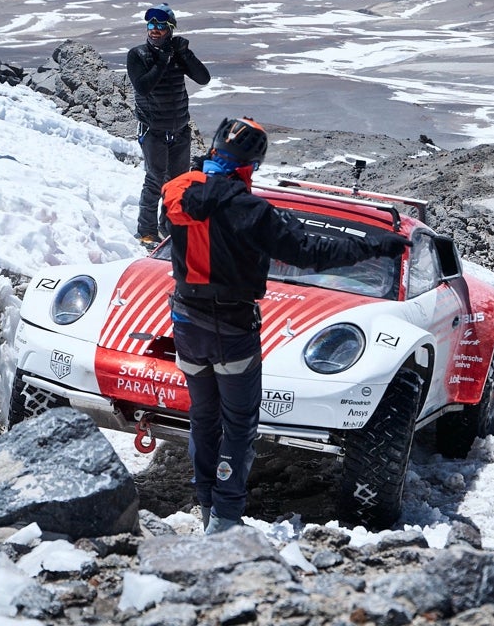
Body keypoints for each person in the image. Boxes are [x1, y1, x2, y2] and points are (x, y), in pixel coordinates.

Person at [161, 117, 411, 534]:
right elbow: (309, 251)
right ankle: (224, 520)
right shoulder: (251, 210)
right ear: (251, 163)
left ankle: (205, 502)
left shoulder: (177, 190)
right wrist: (373, 245)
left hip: (186, 319)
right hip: (232, 326)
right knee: (238, 424)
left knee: (203, 416)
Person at [127, 3, 211, 248]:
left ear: (170, 28)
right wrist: (162, 61)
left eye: (161, 25)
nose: (154, 30)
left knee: (178, 183)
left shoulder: (177, 54)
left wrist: (185, 54)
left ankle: (170, 228)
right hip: (153, 130)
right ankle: (146, 232)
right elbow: (142, 86)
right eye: (151, 25)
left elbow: (203, 78)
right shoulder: (138, 55)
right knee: (155, 180)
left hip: (179, 130)